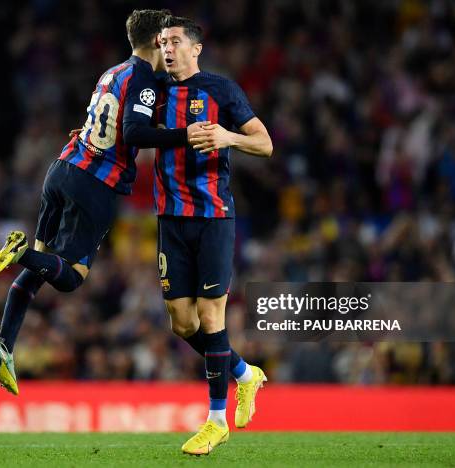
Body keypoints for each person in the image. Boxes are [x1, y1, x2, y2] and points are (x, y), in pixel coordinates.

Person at [0, 9, 204, 396]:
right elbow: (133, 133)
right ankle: (17, 252)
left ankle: (3, 345)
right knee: (70, 277)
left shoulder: (111, 73)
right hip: (95, 184)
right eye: (165, 40)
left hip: (63, 167)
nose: (168, 47)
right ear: (154, 42)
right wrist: (185, 135)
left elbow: (103, 121)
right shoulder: (144, 79)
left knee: (40, 266)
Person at [155, 15, 273, 455]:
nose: (167, 48)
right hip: (170, 217)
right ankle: (245, 373)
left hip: (213, 217)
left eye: (175, 41)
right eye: (162, 42)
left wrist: (227, 137)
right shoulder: (154, 90)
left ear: (196, 48)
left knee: (210, 316)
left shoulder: (221, 90)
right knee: (181, 322)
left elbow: (265, 143)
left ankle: (215, 420)